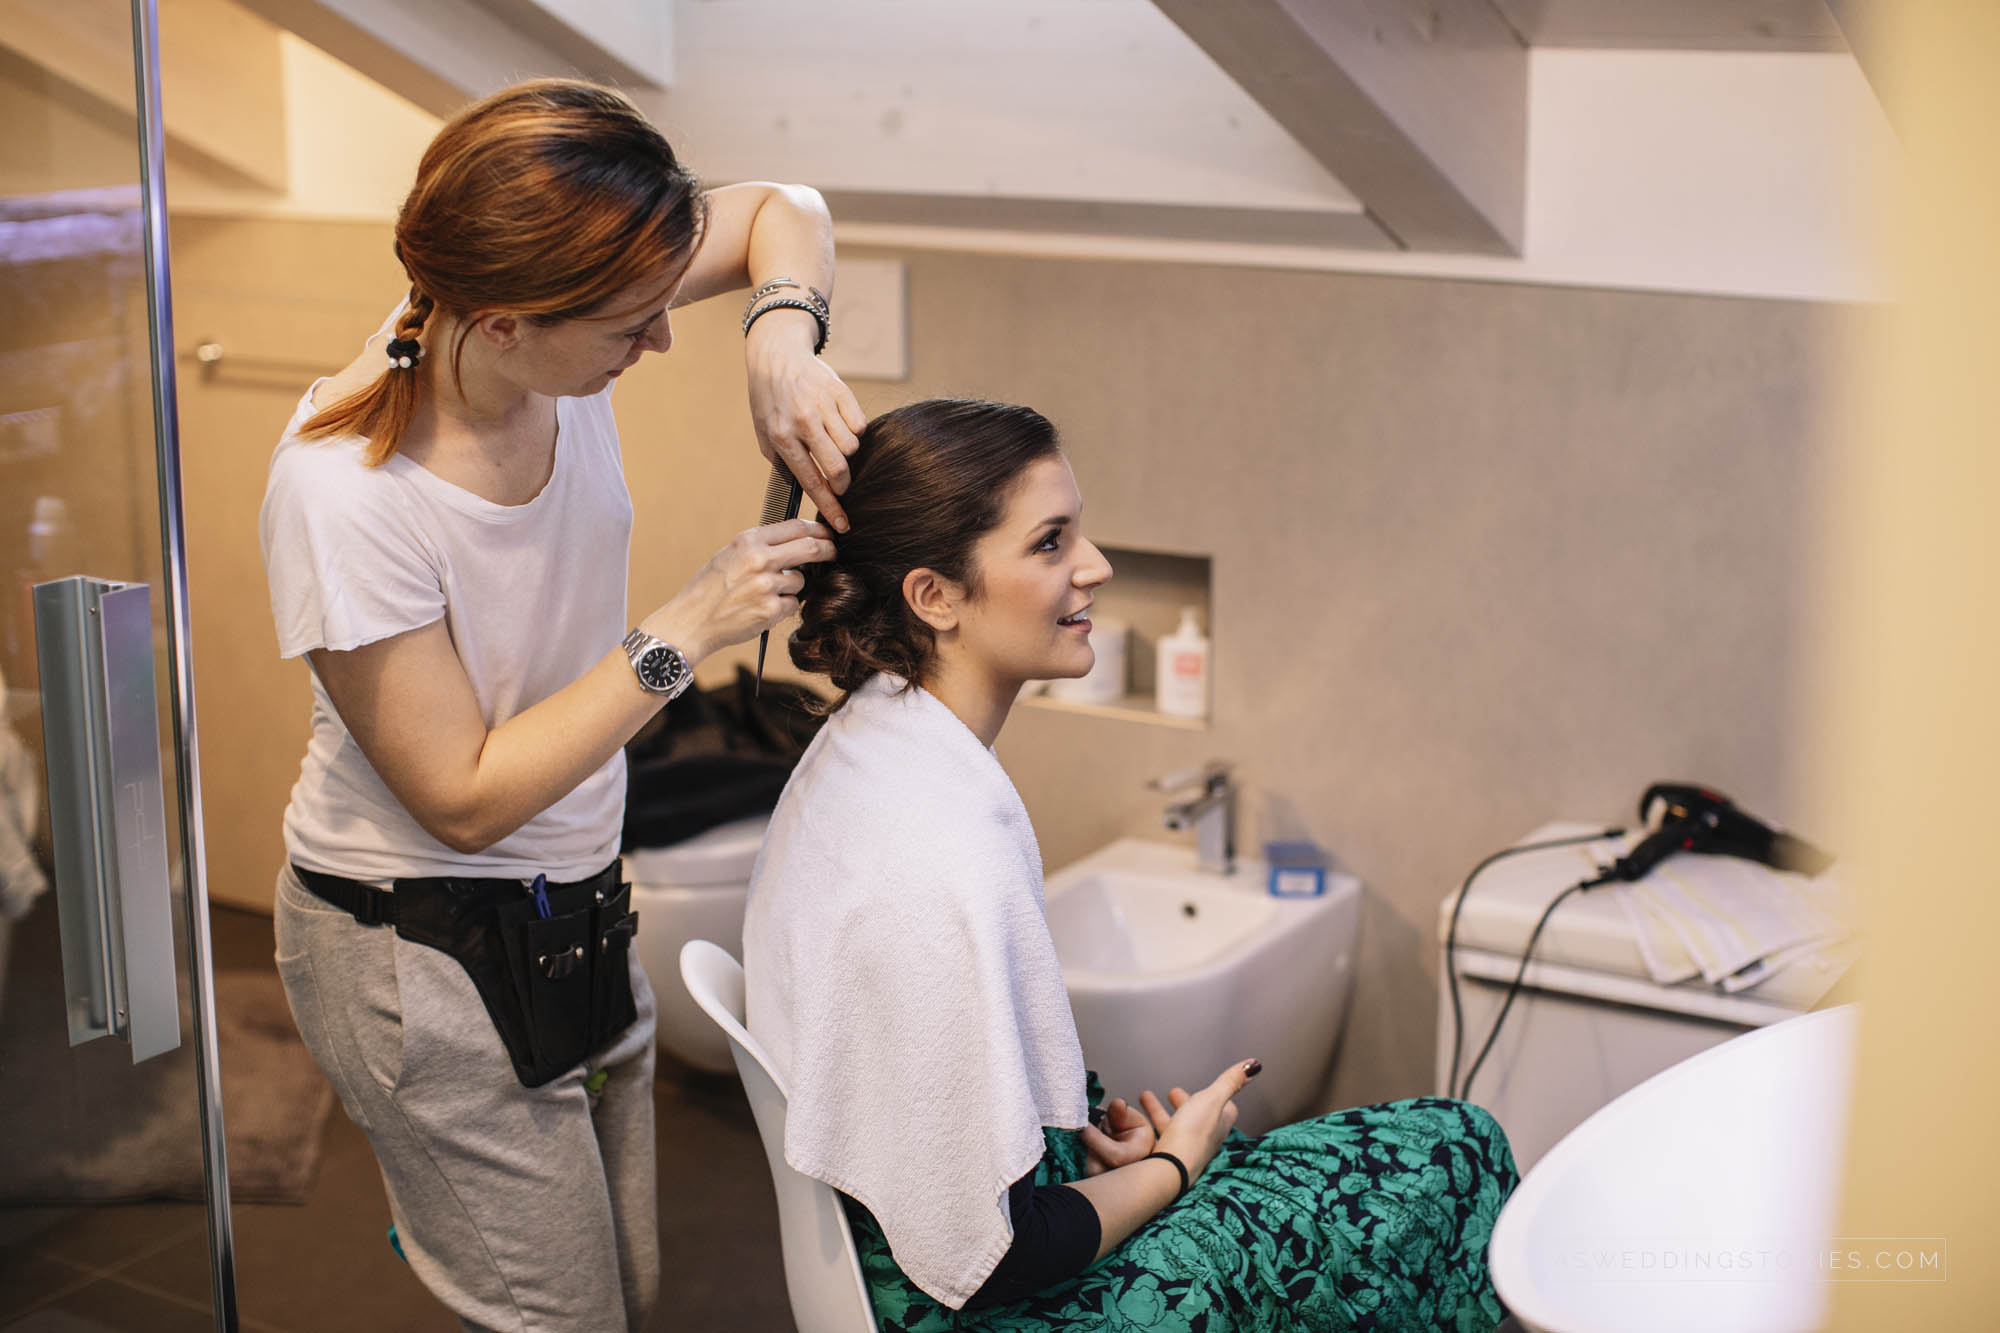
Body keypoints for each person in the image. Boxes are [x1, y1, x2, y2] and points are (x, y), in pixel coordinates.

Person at [258, 78, 856, 1332]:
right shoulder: (349, 495)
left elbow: (781, 211)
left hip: (572, 900)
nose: (659, 344)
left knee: (619, 1292)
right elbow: (463, 799)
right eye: (629, 326)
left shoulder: (510, 321)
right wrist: (684, 630)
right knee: (557, 1314)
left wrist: (781, 336)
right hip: (415, 947)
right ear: (507, 324)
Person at [743, 398, 1519, 1331]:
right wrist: (1172, 1167)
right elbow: (996, 1254)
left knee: (1426, 1149)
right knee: (1456, 1150)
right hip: (991, 1309)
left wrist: (1079, 1144)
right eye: (1050, 542)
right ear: (933, 596)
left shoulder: (870, 749)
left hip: (925, 1253)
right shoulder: (935, 850)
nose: (1096, 565)